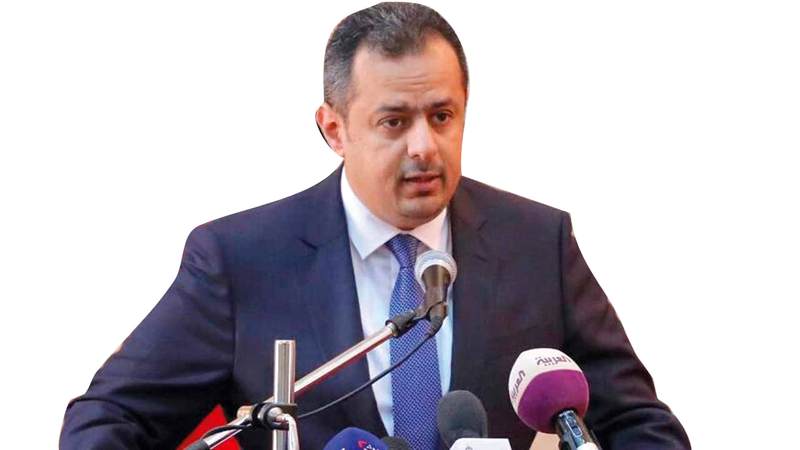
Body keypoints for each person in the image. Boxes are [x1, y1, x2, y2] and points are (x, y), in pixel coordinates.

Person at [61, 3, 690, 449]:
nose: (424, 147)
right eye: (394, 122)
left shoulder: (536, 244)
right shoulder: (239, 260)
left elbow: (640, 425)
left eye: (442, 116)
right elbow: (109, 418)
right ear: (334, 129)